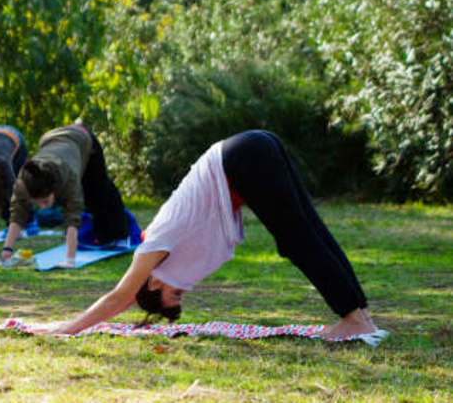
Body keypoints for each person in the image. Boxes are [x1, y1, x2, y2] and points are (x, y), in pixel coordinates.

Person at [47, 130, 379, 340]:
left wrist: (67, 327)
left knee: (298, 239)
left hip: (244, 158)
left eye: (173, 295)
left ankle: (352, 317)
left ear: (152, 282)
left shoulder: (155, 246)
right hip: (254, 147)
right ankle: (359, 312)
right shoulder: (168, 251)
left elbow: (119, 298)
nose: (183, 291)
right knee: (308, 231)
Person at [0, 124, 129, 267]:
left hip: (82, 138)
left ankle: (118, 236)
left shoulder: (69, 178)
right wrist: (7, 251)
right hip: (50, 139)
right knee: (89, 200)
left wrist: (69, 260)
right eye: (38, 202)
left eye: (45, 201)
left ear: (53, 189)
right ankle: (96, 235)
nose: (42, 207)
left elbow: (72, 217)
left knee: (98, 193)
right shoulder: (23, 183)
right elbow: (17, 214)